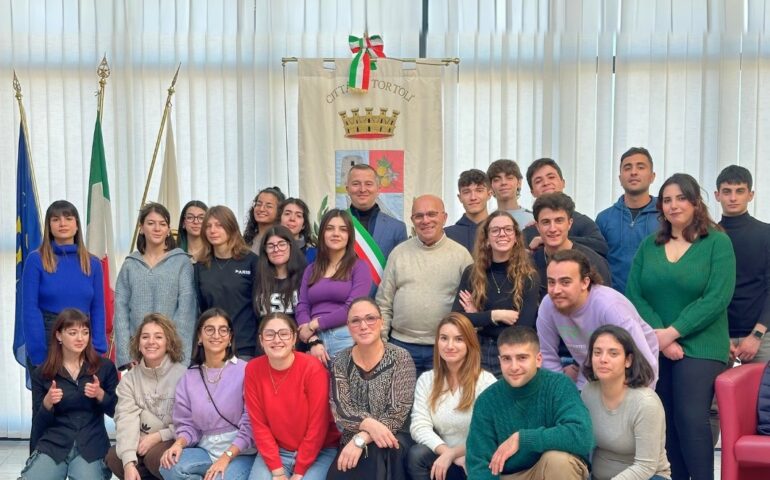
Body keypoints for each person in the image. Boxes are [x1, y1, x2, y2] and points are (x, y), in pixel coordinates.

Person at [626, 173, 736, 480]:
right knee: (664, 421)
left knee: (690, 418)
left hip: (703, 345)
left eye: (681, 198)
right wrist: (660, 337)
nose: (673, 205)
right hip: (657, 343)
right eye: (667, 200)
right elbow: (634, 294)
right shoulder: (649, 246)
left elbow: (717, 297)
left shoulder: (717, 242)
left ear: (696, 202)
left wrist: (672, 333)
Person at [466, 326, 593, 480]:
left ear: (538, 360)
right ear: (500, 361)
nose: (514, 367)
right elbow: (478, 463)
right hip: (508, 476)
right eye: (507, 359)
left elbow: (582, 436)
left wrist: (523, 439)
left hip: (549, 471)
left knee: (558, 461)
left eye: (522, 358)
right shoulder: (487, 400)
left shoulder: (559, 386)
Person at [376, 195, 473, 377]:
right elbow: (384, 301)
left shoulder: (461, 256)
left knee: (441, 395)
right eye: (419, 216)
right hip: (400, 345)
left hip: (444, 348)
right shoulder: (399, 253)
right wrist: (381, 341)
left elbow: (472, 306)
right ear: (412, 220)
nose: (425, 220)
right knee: (401, 396)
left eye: (432, 214)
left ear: (444, 217)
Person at [538, 249, 658, 389]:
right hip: (589, 371)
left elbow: (645, 363)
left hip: (630, 374)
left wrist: (639, 395)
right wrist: (560, 391)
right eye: (551, 282)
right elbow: (547, 355)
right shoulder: (548, 304)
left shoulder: (610, 308)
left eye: (565, 282)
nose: (556, 290)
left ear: (585, 282)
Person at [20, 308, 118, 480]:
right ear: (59, 335)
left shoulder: (104, 367)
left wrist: (101, 395)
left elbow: (118, 412)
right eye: (73, 333)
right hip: (54, 444)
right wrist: (47, 404)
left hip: (91, 444)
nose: (80, 338)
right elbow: (38, 423)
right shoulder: (42, 373)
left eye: (85, 332)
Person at [159, 308, 256, 480]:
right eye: (209, 329)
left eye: (223, 330)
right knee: (168, 466)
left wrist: (226, 457)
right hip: (205, 449)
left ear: (230, 337)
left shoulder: (245, 370)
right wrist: (179, 444)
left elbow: (251, 423)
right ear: (199, 337)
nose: (216, 335)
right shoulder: (189, 377)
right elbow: (186, 424)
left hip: (240, 451)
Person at [326, 297, 416, 479]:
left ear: (381, 322)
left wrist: (362, 438)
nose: (363, 326)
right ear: (348, 327)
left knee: (376, 457)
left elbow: (397, 412)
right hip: (351, 438)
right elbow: (341, 409)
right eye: (355, 321)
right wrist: (367, 427)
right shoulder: (340, 361)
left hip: (393, 436)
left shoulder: (400, 357)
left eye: (370, 318)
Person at [244, 313, 340, 479]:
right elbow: (259, 425)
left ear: (294, 338)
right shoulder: (253, 369)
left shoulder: (312, 368)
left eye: (284, 333)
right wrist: (277, 471)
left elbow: (318, 425)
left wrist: (300, 470)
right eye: (269, 334)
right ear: (261, 340)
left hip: (319, 451)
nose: (277, 340)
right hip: (277, 450)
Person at [407, 313, 496, 480]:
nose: (450, 345)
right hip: (443, 458)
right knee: (417, 454)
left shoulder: (485, 382)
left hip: (476, 458)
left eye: (459, 339)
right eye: (444, 338)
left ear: (470, 343)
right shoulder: (426, 380)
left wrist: (456, 453)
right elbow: (419, 426)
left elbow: (489, 434)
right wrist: (447, 453)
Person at [452, 211, 539, 376]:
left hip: (512, 353)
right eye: (495, 230)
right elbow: (457, 318)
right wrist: (494, 315)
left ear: (516, 237)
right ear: (486, 238)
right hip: (477, 351)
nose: (502, 234)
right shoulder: (472, 273)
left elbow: (523, 327)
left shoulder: (528, 276)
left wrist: (478, 319)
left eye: (508, 229)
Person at [21, 200, 107, 367]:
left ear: (77, 225)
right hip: (47, 339)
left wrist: (97, 351)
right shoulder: (36, 260)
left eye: (68, 218)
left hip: (83, 340)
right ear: (49, 226)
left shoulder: (93, 263)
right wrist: (39, 354)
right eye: (55, 219)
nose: (62, 223)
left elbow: (98, 309)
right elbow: (30, 309)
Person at [581, 325, 671, 480]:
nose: (603, 359)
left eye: (613, 353)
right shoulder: (588, 392)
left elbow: (645, 466)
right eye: (597, 353)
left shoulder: (645, 403)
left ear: (628, 360)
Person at [115, 202, 197, 367]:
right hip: (138, 357)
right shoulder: (129, 265)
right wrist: (127, 356)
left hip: (172, 357)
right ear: (141, 228)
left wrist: (179, 357)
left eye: (162, 224)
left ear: (168, 230)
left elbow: (186, 313)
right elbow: (120, 312)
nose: (157, 229)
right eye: (151, 223)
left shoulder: (182, 262)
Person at [106, 313, 187, 480]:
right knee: (115, 457)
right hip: (139, 439)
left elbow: (189, 422)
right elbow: (126, 419)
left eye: (158, 337)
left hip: (173, 438)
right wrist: (128, 463)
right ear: (138, 343)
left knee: (154, 457)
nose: (151, 342)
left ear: (168, 342)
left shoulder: (184, 375)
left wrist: (158, 437)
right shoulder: (129, 379)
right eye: (145, 337)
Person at [296, 209, 372, 364]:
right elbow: (302, 305)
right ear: (322, 234)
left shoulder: (359, 267)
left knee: (342, 381)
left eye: (343, 229)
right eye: (330, 228)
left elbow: (353, 308)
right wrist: (312, 339)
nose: (336, 234)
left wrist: (315, 324)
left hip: (345, 336)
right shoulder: (311, 269)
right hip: (314, 340)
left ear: (349, 236)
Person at [714, 165, 770, 364]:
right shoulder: (708, 236)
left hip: (761, 337)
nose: (733, 198)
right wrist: (720, 336)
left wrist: (757, 335)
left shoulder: (766, 234)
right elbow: (704, 291)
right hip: (718, 337)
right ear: (717, 195)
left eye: (740, 191)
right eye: (727, 191)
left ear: (750, 195)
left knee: (763, 386)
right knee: (715, 387)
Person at [195, 206, 260, 360]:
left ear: (231, 227)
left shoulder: (251, 261)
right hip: (213, 345)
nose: (213, 230)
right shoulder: (200, 266)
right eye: (208, 226)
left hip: (245, 345)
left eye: (219, 225)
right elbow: (201, 309)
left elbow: (259, 306)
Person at [595, 147, 658, 294]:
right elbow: (597, 264)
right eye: (627, 168)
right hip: (614, 301)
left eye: (640, 167)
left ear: (652, 176)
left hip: (655, 301)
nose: (633, 172)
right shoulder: (604, 219)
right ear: (620, 178)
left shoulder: (666, 216)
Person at [530, 192, 612, 297]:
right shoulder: (530, 264)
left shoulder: (593, 262)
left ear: (569, 223)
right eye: (546, 222)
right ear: (537, 227)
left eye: (559, 221)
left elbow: (605, 301)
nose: (552, 229)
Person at [523, 158, 608, 256]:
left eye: (551, 177)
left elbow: (601, 247)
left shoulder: (582, 222)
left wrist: (552, 239)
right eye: (538, 181)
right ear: (532, 192)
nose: (546, 183)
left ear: (563, 183)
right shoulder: (528, 232)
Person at [345, 163, 407, 261]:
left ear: (378, 189)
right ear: (347, 189)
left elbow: (401, 267)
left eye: (368, 184)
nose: (362, 189)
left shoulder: (397, 228)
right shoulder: (333, 225)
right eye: (356, 184)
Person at [252, 225, 307, 324]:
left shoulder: (305, 277)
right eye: (270, 246)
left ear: (291, 246)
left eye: (282, 244)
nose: (276, 249)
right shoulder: (257, 279)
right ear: (265, 250)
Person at [445, 169, 493, 253]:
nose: (473, 197)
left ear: (489, 194)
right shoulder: (447, 235)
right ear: (460, 198)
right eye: (466, 192)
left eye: (479, 191)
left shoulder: (501, 232)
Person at [486, 159, 535, 229]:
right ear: (490, 186)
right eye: (497, 180)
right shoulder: (486, 221)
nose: (503, 183)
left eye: (509, 178)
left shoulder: (533, 219)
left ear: (519, 183)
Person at [243, 186, 286, 254]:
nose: (261, 209)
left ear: (280, 211)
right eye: (258, 204)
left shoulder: (284, 241)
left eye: (269, 206)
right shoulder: (246, 240)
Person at [279, 197, 317, 262]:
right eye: (287, 214)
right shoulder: (269, 248)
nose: (292, 218)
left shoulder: (313, 254)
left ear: (303, 225)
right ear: (279, 220)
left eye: (298, 216)